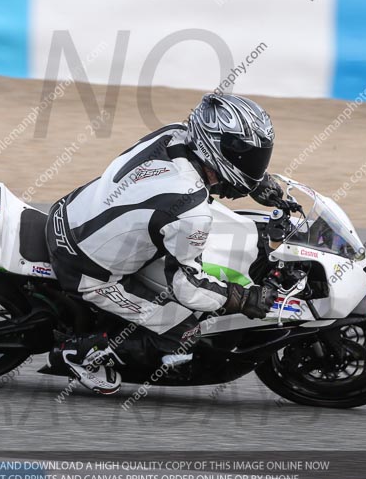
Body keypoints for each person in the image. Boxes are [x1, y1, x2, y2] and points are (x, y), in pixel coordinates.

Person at [45, 93, 297, 395]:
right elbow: (186, 287)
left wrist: (255, 182)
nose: (255, 165)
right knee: (184, 329)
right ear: (215, 149)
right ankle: (81, 354)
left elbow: (209, 170)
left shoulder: (174, 134)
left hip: (70, 212)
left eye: (259, 158)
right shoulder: (191, 211)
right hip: (86, 268)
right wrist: (240, 298)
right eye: (250, 159)